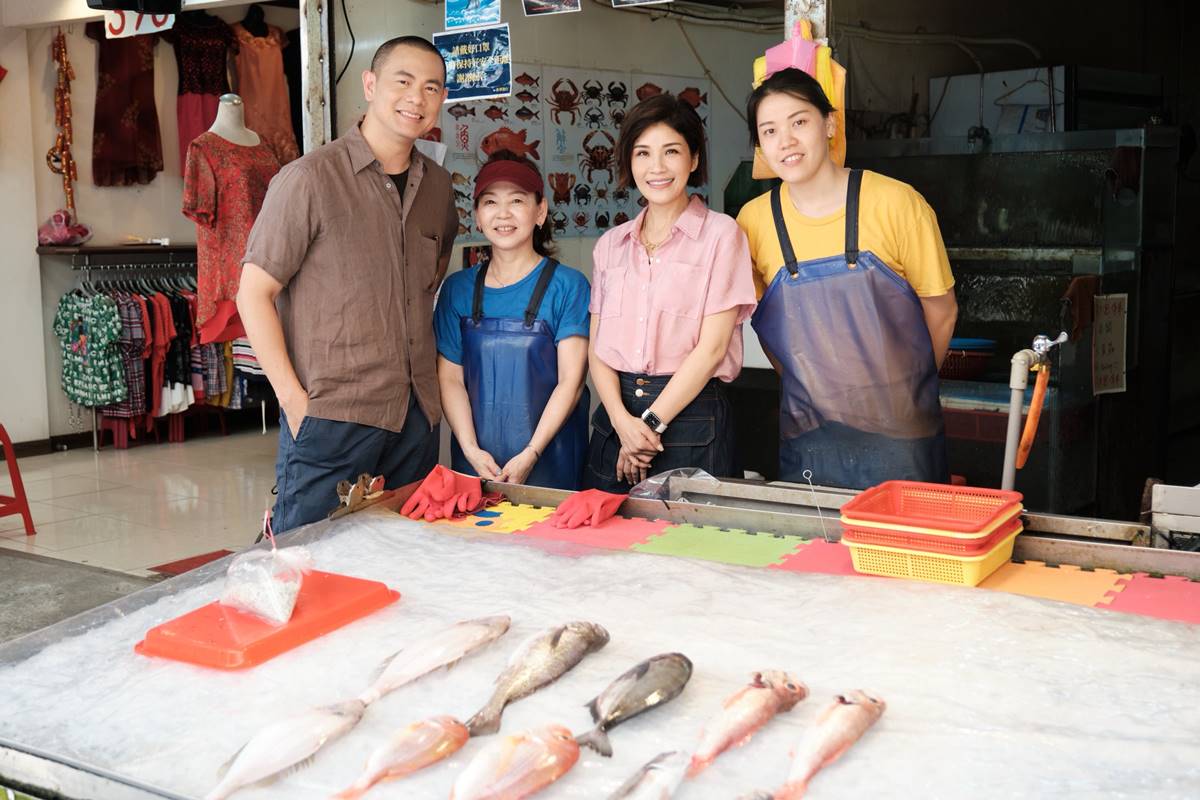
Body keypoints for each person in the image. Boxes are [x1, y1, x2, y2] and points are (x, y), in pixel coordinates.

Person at [237, 36, 457, 531]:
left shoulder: (440, 189)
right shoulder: (309, 179)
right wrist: (295, 402)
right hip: (332, 413)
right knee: (305, 561)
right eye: (403, 82)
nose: (416, 98)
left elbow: (426, 287)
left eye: (431, 88)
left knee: (403, 559)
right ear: (371, 84)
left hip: (414, 416)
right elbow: (254, 293)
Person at [737, 68, 958, 490]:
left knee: (902, 552)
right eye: (769, 130)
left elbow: (942, 310)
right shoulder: (753, 221)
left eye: (799, 122)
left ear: (830, 123)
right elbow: (767, 323)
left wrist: (903, 391)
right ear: (759, 145)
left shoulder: (897, 202)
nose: (785, 141)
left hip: (902, 437)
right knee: (814, 552)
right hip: (809, 434)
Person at [585, 93, 758, 492]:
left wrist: (646, 427)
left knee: (685, 550)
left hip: (691, 420)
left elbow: (712, 349)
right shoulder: (610, 245)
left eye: (671, 152)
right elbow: (599, 348)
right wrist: (621, 423)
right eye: (643, 153)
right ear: (629, 161)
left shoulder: (721, 235)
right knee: (600, 548)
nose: (656, 167)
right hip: (615, 422)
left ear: (694, 159)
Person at [433, 151, 591, 489]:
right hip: (476, 466)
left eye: (517, 200)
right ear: (476, 216)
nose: (503, 214)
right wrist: (471, 449)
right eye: (490, 202)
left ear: (540, 211)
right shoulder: (457, 290)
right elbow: (449, 380)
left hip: (551, 463)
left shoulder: (568, 286)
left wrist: (531, 453)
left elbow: (571, 382)